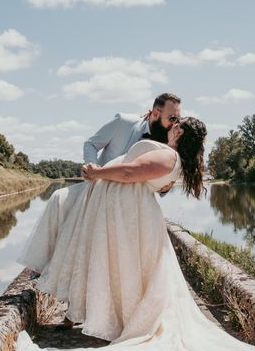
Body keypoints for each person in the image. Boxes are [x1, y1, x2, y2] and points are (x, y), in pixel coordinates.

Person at [14, 117, 255, 351]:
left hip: (131, 219)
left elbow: (130, 173)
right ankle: (117, 317)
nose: (171, 124)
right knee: (125, 274)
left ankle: (123, 321)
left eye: (176, 123)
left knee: (130, 274)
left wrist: (97, 172)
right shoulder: (168, 153)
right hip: (129, 217)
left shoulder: (168, 156)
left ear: (180, 132)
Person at [17, 93, 182, 275]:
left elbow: (160, 182)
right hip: (98, 187)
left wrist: (165, 188)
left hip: (131, 204)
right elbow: (91, 144)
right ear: (156, 114)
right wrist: (92, 166)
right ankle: (42, 268)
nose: (175, 123)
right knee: (58, 199)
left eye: (178, 119)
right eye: (172, 118)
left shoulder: (167, 142)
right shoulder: (123, 122)